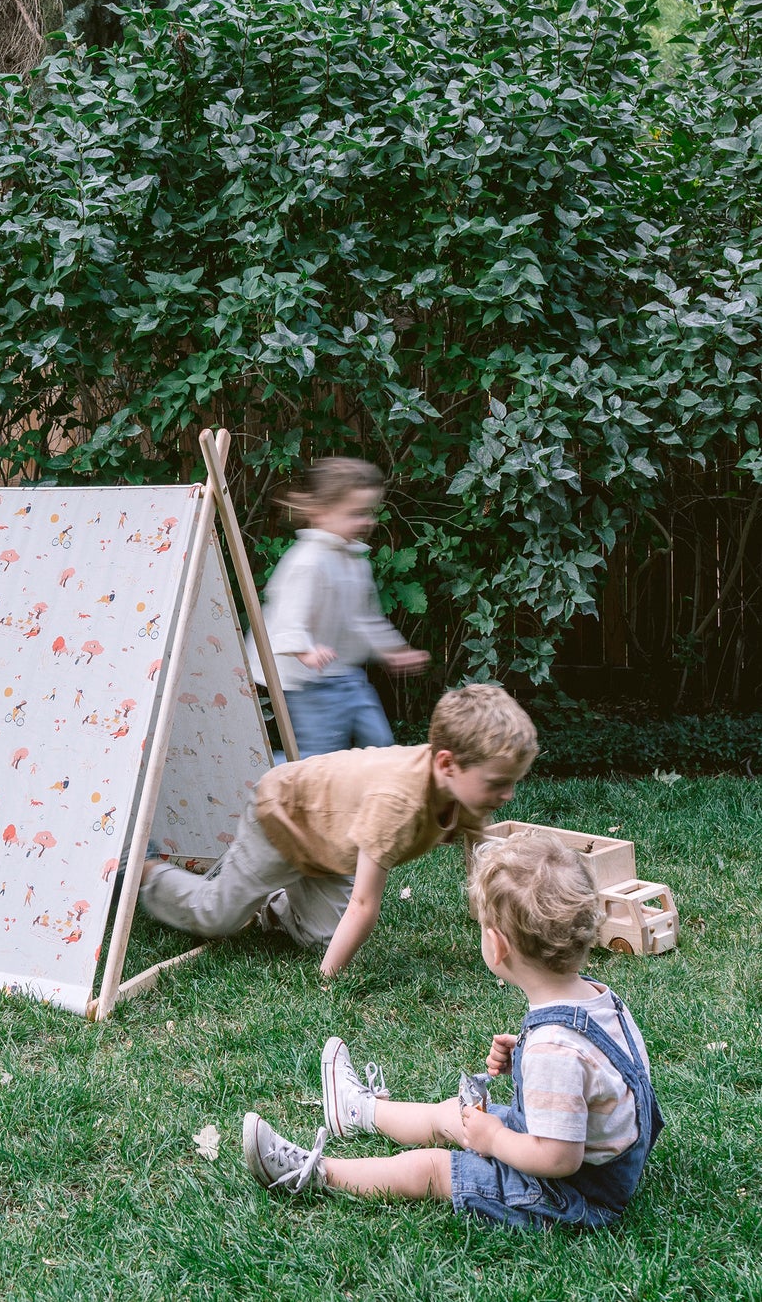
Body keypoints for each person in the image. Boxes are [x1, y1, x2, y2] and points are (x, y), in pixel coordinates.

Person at [241, 829, 664, 1229]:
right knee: (454, 1114)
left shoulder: (555, 1050)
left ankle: (314, 1173)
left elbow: (559, 1158)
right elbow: (595, 1076)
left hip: (574, 1191)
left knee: (434, 1168)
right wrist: (525, 1054)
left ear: (497, 946)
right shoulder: (598, 1000)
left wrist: (494, 1139)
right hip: (586, 1158)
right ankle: (358, 1112)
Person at [139, 684, 536, 976]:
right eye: (498, 783)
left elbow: (485, 862)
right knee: (216, 917)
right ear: (448, 764)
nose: (508, 795)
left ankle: (271, 903)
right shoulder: (398, 803)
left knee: (325, 939)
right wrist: (328, 982)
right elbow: (363, 905)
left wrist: (501, 929)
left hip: (330, 847)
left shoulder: (466, 794)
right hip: (283, 820)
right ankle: (144, 869)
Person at [245, 458, 427, 760]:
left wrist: (393, 650)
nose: (366, 522)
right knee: (318, 756)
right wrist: (305, 650)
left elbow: (366, 618)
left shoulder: (354, 560)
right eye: (355, 514)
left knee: (380, 741)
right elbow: (289, 615)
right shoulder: (308, 561)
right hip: (308, 681)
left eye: (368, 512)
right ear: (321, 512)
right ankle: (262, 775)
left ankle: (377, 781)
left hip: (346, 673)